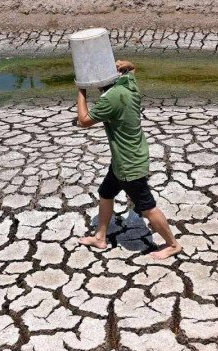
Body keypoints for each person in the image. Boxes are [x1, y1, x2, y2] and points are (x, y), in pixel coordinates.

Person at [76, 60, 182, 260]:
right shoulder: (128, 84)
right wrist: (129, 64)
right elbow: (132, 69)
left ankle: (173, 244)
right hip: (126, 157)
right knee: (106, 193)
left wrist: (81, 89)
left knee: (147, 207)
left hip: (128, 164)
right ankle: (100, 237)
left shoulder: (112, 99)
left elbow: (83, 120)